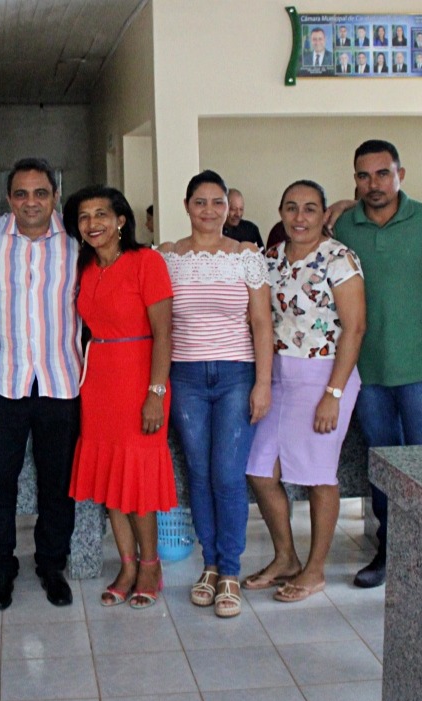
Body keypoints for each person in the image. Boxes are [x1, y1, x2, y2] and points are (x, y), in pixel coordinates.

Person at [332, 140, 422, 589]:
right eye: (364, 176)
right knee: (382, 463)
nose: (374, 184)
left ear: (401, 174)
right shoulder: (345, 225)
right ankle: (390, 549)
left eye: (383, 173)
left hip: (421, 365)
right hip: (367, 370)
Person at [244, 180, 365, 603]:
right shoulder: (270, 259)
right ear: (280, 211)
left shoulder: (339, 258)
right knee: (260, 471)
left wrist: (334, 393)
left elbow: (355, 328)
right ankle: (285, 557)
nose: (300, 217)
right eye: (291, 207)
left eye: (310, 208)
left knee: (317, 476)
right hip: (277, 376)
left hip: (324, 377)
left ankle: (314, 570)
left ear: (324, 214)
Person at [157, 171, 272, 618]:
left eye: (217, 202)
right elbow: (160, 324)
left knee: (227, 474)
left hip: (236, 376)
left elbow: (261, 323)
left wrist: (263, 382)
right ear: (187, 206)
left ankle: (230, 570)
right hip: (185, 377)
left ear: (228, 207)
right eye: (200, 202)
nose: (209, 210)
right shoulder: (168, 256)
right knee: (200, 474)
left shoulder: (246, 256)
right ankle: (209, 564)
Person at [0, 158, 81, 610]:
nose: (30, 202)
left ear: (55, 196)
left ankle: (52, 564)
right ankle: (1, 567)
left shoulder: (76, 238)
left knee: (58, 483)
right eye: (21, 194)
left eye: (40, 193)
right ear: (8, 199)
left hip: (61, 382)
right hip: (3, 381)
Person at [64, 185, 176, 610]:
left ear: (121, 220)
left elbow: (164, 333)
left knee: (138, 482)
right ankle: (127, 566)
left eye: (101, 214)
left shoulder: (146, 262)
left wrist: (156, 393)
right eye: (84, 217)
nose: (92, 224)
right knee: (111, 479)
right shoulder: (85, 267)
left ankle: (150, 565)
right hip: (98, 382)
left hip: (140, 378)